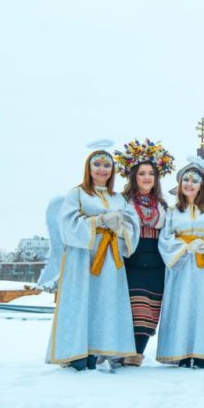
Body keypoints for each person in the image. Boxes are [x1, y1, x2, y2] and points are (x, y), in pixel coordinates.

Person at [46, 150, 139, 370]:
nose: (102, 169)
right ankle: (76, 352)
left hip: (110, 257)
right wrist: (97, 221)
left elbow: (132, 227)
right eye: (97, 164)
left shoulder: (119, 198)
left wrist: (120, 228)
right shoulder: (77, 194)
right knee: (82, 299)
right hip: (83, 258)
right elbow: (67, 224)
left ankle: (97, 351)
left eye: (107, 166)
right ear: (88, 168)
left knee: (105, 302)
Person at [156, 165, 204, 368]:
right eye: (186, 180)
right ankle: (180, 352)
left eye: (194, 181)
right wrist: (184, 247)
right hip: (181, 266)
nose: (189, 184)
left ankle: (201, 354)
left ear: (201, 186)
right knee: (181, 306)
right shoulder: (172, 212)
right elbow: (165, 238)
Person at [114, 138, 174, 367]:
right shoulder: (123, 203)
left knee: (150, 311)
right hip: (132, 261)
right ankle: (121, 350)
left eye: (151, 173)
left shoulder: (163, 205)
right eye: (142, 174)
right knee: (132, 308)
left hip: (157, 264)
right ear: (134, 177)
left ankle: (136, 354)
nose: (147, 178)